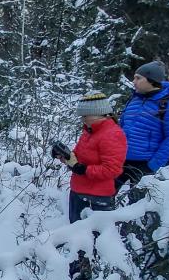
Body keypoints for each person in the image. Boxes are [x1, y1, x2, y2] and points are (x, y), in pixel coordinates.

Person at [52, 92, 127, 223]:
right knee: (75, 234)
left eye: (85, 116)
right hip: (78, 191)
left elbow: (112, 169)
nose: (83, 120)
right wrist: (65, 157)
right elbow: (78, 157)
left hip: (97, 198)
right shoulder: (89, 131)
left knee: (93, 239)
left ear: (99, 114)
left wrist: (82, 169)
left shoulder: (112, 134)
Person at [115, 61, 169, 192]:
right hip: (121, 159)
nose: (134, 81)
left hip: (145, 163)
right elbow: (122, 127)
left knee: (137, 204)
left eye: (138, 78)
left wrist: (152, 165)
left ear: (151, 80)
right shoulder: (134, 99)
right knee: (105, 195)